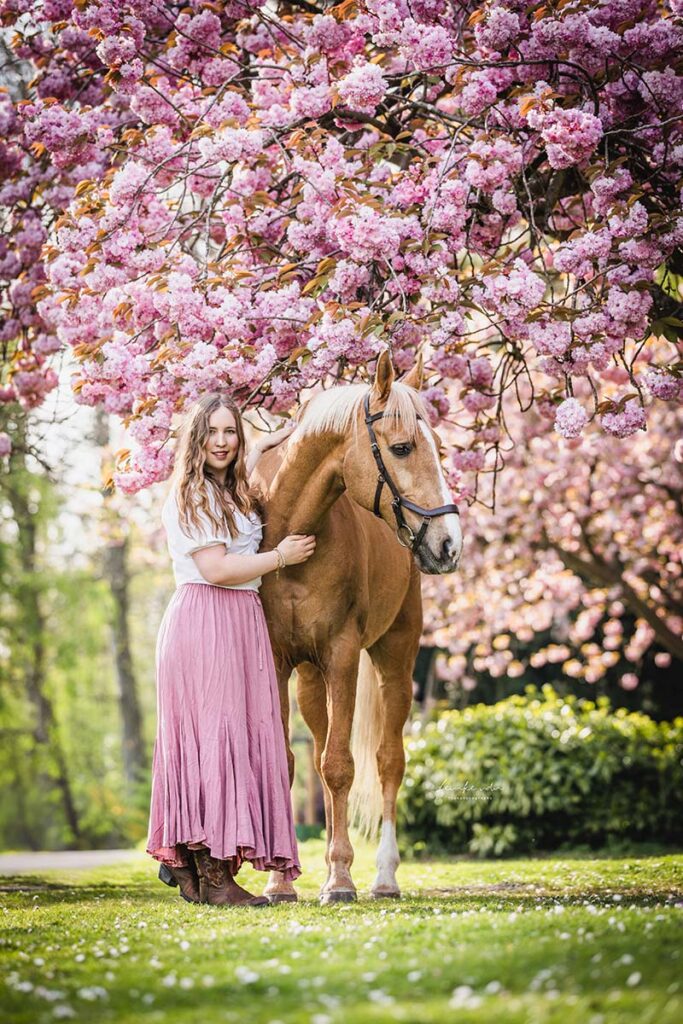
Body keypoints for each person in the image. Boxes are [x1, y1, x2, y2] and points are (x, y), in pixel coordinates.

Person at [146, 391, 315, 907]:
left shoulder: (231, 490)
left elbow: (258, 447)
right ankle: (216, 879)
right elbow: (217, 569)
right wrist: (279, 557)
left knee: (228, 738)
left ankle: (196, 874)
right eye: (212, 432)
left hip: (238, 620)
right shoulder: (191, 494)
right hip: (206, 616)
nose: (222, 442)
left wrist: (284, 433)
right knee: (214, 740)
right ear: (196, 438)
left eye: (230, 432)